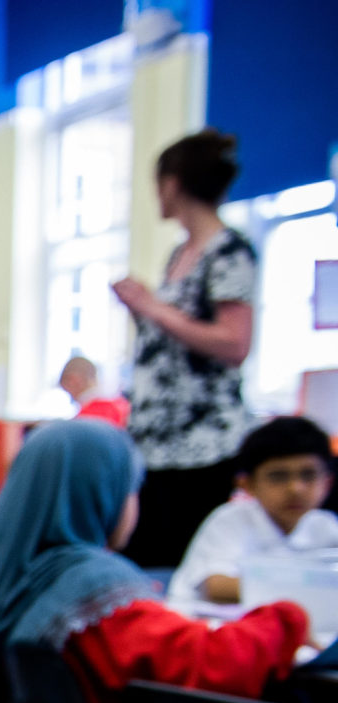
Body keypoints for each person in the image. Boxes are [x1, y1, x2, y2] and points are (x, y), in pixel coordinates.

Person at [0, 421, 307, 703]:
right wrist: (287, 616)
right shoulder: (94, 591)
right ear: (101, 495)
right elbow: (209, 664)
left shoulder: (1, 581)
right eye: (132, 489)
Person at [115, 129, 259, 567]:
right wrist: (145, 313)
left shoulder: (228, 251)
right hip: (156, 442)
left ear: (172, 183)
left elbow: (234, 343)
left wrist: (153, 308)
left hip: (201, 445)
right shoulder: (181, 253)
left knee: (183, 563)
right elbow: (179, 341)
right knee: (144, 560)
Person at [170, 416, 338, 605]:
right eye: (278, 476)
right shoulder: (230, 519)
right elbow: (217, 587)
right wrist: (311, 588)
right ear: (247, 484)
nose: (295, 488)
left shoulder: (326, 526)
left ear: (327, 483)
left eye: (308, 475)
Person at [57, 355, 129, 427]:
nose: (71, 399)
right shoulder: (120, 404)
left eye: (68, 392)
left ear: (73, 380)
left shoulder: (88, 417)